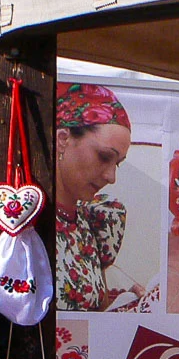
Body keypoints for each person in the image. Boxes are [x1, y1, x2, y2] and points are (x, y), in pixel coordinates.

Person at [56, 82, 144, 311]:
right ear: (63, 139)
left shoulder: (90, 220)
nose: (111, 177)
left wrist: (128, 306)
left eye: (117, 163)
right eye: (104, 156)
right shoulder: (27, 221)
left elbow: (97, 311)